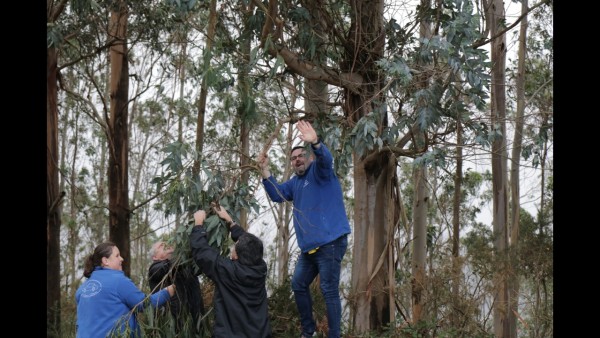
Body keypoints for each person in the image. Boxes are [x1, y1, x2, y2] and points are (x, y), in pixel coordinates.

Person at [257, 120, 351, 338]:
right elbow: (276, 194)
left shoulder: (320, 171)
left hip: (330, 243)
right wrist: (265, 170)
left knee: (328, 290)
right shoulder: (294, 183)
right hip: (309, 249)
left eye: (300, 156)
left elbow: (326, 160)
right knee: (298, 284)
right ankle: (309, 331)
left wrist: (316, 142)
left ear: (309, 158)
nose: (297, 160)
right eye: (293, 158)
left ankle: (334, 335)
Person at [189, 204, 272, 338]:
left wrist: (198, 224)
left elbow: (203, 253)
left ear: (237, 255)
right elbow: (250, 243)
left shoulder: (228, 271)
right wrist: (230, 221)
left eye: (234, 247)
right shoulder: (260, 268)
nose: (233, 248)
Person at [75, 242, 175, 338]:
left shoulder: (82, 288)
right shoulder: (118, 281)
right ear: (106, 261)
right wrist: (169, 290)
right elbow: (145, 305)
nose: (121, 259)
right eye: (117, 255)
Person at [148, 240, 205, 334]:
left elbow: (200, 267)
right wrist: (181, 255)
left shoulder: (183, 265)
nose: (167, 245)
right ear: (155, 257)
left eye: (167, 244)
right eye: (162, 245)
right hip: (175, 326)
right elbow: (165, 268)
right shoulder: (155, 268)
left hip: (195, 321)